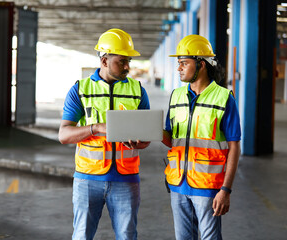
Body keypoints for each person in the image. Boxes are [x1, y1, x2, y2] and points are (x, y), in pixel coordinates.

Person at [59, 28, 151, 240]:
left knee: (127, 236)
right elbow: (64, 135)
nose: (128, 66)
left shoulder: (137, 91)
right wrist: (96, 128)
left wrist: (140, 143)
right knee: (82, 236)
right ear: (104, 61)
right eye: (122, 61)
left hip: (127, 179)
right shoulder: (80, 90)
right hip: (87, 180)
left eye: (128, 60)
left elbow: (146, 137)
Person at [162, 35, 241, 240]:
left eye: (184, 63)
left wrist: (226, 189)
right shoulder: (176, 95)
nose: (179, 68)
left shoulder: (224, 98)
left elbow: (234, 146)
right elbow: (171, 138)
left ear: (202, 65)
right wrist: (145, 132)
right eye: (178, 63)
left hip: (207, 186)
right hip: (178, 184)